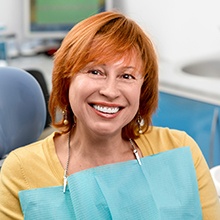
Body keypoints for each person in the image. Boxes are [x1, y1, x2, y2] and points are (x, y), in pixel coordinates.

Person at [0, 11, 219, 220]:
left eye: (126, 76)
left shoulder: (180, 150)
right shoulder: (20, 172)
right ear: (66, 80)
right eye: (95, 71)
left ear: (143, 90)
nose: (110, 91)